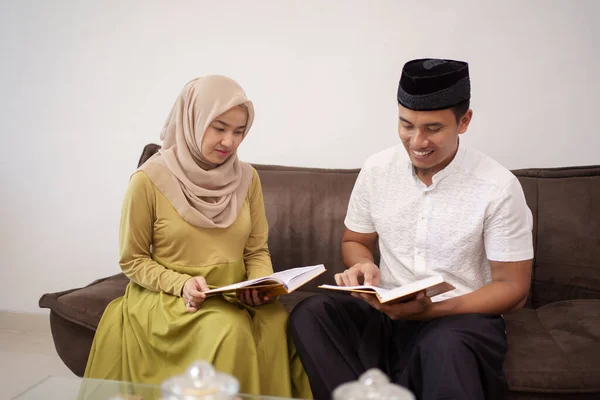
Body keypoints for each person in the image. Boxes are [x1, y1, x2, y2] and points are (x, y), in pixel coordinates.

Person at [290, 59, 533, 400]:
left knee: (444, 345)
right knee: (311, 313)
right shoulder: (377, 170)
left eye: (433, 128)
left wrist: (431, 311)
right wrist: (362, 264)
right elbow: (355, 241)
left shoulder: (497, 187)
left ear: (464, 121)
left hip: (459, 318)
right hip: (386, 312)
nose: (416, 141)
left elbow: (514, 288)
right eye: (406, 125)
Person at [84, 75, 312, 398]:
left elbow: (256, 250)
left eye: (238, 132)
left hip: (233, 295)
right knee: (229, 331)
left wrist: (261, 285)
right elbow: (132, 260)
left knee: (276, 324)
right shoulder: (147, 181)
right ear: (192, 119)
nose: (229, 142)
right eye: (219, 128)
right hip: (173, 300)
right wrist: (180, 284)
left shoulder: (248, 179)